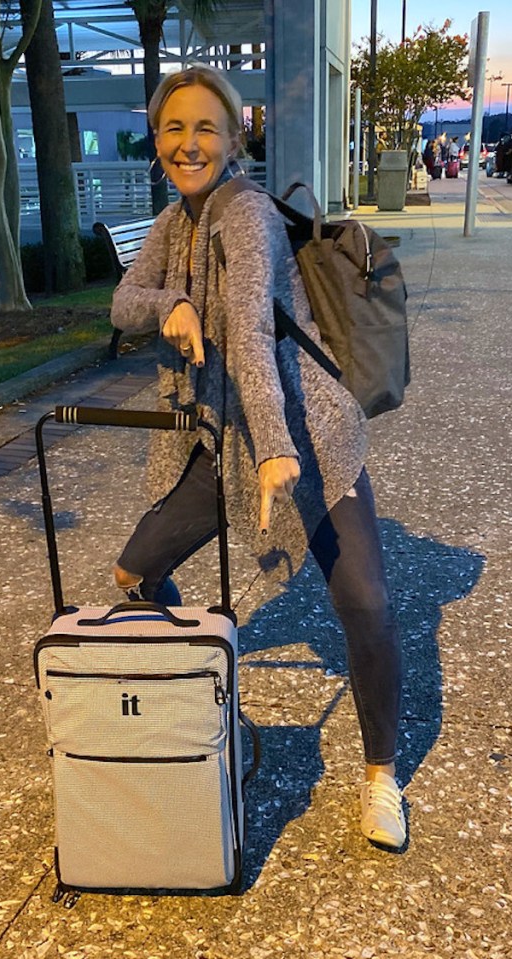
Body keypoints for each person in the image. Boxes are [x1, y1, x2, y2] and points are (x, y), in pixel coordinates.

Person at [109, 65, 406, 850]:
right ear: (157, 142)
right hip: (221, 438)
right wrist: (168, 302)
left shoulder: (244, 217)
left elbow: (248, 338)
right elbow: (121, 301)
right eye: (174, 128)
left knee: (366, 603)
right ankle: (218, 716)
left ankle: (382, 776)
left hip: (306, 434)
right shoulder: (174, 223)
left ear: (236, 139)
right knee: (135, 573)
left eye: (205, 127)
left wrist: (276, 448)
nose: (188, 142)